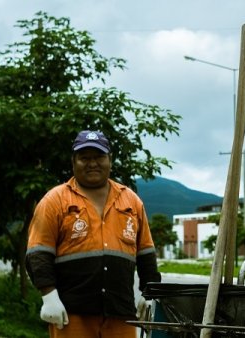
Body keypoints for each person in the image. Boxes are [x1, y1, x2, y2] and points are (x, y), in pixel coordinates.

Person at [26, 130, 161, 338]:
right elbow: (38, 253)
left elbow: (146, 254)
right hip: (71, 315)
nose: (92, 163)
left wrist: (150, 292)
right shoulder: (54, 200)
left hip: (121, 313)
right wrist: (49, 296)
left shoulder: (131, 202)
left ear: (110, 160)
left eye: (99, 156)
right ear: (73, 162)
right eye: (84, 158)